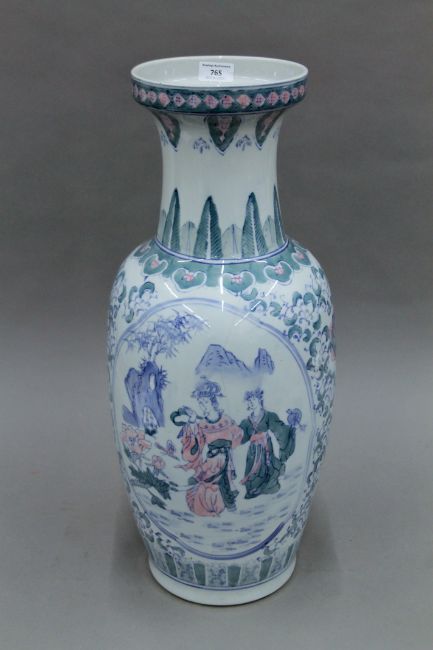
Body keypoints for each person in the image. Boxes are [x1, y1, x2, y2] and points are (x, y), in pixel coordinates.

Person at [172, 377, 243, 517]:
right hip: (210, 461)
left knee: (221, 483)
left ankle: (229, 507)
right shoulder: (202, 425)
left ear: (213, 402)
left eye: (205, 402)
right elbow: (195, 448)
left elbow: (238, 436)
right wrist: (192, 422)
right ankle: (210, 508)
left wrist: (227, 449)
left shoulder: (226, 420)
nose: (203, 406)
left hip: (224, 461)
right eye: (200, 403)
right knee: (200, 484)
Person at [239, 388, 296, 499]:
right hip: (253, 450)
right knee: (251, 470)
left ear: (259, 399)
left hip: (265, 448)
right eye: (249, 400)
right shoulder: (247, 421)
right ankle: (252, 489)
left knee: (266, 468)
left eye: (253, 399)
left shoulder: (269, 416)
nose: (251, 402)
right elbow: (240, 435)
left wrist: (291, 428)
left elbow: (280, 429)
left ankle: (265, 487)